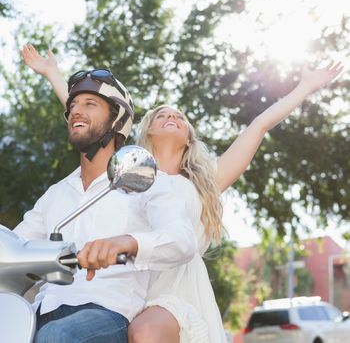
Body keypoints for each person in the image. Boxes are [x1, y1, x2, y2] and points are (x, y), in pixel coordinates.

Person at [21, 44, 342, 342]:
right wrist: (54, 74)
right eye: (162, 115)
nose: (172, 117)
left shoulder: (203, 179)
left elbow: (258, 126)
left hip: (175, 277)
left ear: (189, 136)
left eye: (179, 117)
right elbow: (91, 117)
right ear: (143, 131)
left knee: (137, 332)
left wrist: (304, 87)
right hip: (130, 280)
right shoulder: (132, 170)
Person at [14, 64, 197, 343]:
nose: (76, 110)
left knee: (56, 336)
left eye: (90, 104)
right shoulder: (55, 194)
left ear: (116, 120)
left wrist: (126, 242)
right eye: (73, 105)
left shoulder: (148, 179)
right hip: (38, 312)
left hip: (108, 312)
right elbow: (15, 246)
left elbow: (182, 241)